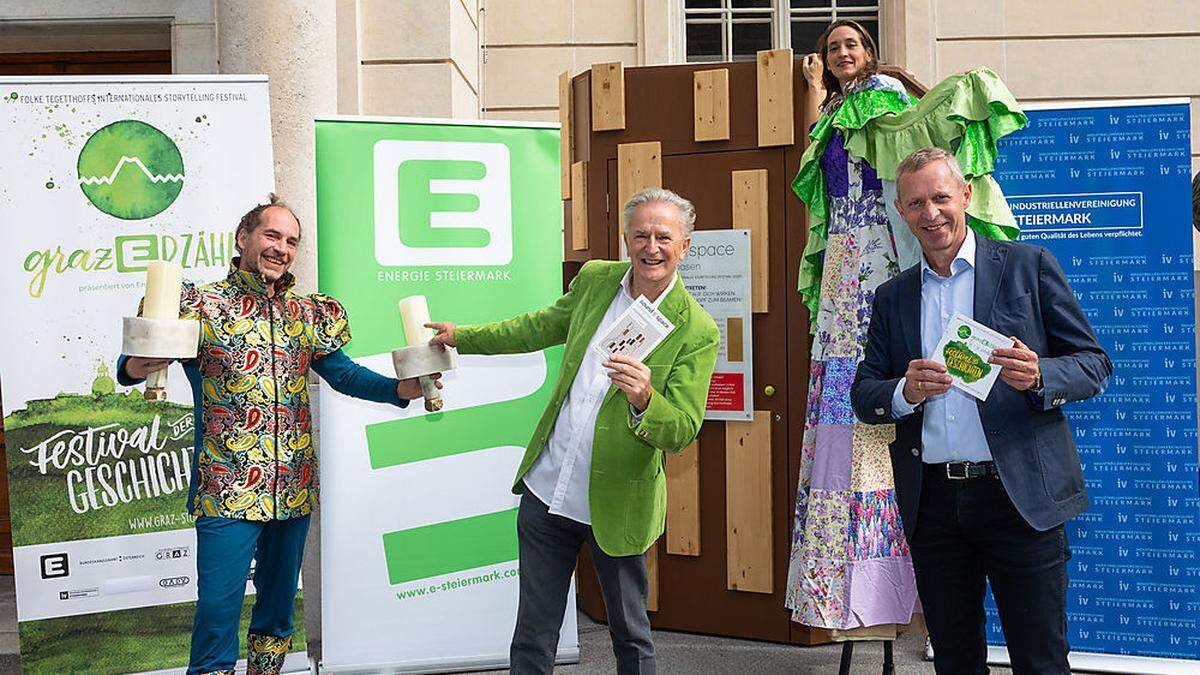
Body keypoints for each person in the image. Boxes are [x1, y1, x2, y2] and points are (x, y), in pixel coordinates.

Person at [118, 195, 437, 675]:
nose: (282, 248)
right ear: (243, 238)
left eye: (292, 241)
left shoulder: (308, 313)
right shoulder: (199, 305)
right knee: (217, 611)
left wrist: (400, 388)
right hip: (226, 487)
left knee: (276, 612)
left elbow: (343, 374)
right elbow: (132, 364)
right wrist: (140, 364)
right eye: (272, 235)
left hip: (293, 487)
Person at [784, 19, 1028, 636]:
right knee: (852, 389)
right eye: (832, 47)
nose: (842, 53)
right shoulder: (838, 108)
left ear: (870, 51)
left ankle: (900, 583)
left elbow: (910, 154)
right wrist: (815, 90)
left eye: (852, 44)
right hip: (846, 247)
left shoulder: (885, 93)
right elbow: (827, 149)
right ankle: (851, 582)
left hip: (875, 245)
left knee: (892, 368)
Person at [427, 188, 718, 675]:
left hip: (618, 503)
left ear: (684, 245)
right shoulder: (597, 280)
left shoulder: (697, 329)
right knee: (533, 634)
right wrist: (463, 336)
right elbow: (537, 327)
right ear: (626, 239)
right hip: (548, 490)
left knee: (630, 634)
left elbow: (682, 429)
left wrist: (646, 398)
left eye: (663, 237)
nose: (652, 246)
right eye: (641, 234)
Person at [851, 148, 1112, 674]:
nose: (932, 214)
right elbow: (865, 394)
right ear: (901, 212)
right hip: (935, 506)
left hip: (1020, 499)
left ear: (966, 195)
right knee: (954, 660)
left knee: (1040, 660)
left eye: (941, 197)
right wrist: (905, 391)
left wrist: (1041, 375)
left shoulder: (1027, 266)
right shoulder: (892, 297)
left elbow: (1094, 363)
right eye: (917, 203)